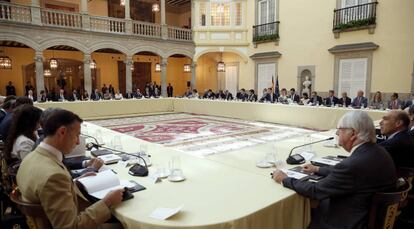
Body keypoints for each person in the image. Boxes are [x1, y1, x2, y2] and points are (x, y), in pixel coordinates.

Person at [272, 110, 397, 229]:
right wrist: (318, 169)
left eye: (339, 131)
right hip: (373, 216)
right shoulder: (378, 151)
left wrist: (285, 179)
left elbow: (316, 191)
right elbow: (353, 174)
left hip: (348, 221)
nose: (337, 135)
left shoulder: (353, 164)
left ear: (352, 134)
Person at [16, 109, 124, 228]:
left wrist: (73, 183)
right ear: (62, 132)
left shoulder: (31, 157)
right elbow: (70, 227)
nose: (78, 142)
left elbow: (47, 192)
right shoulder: (54, 176)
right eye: (77, 135)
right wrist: (107, 202)